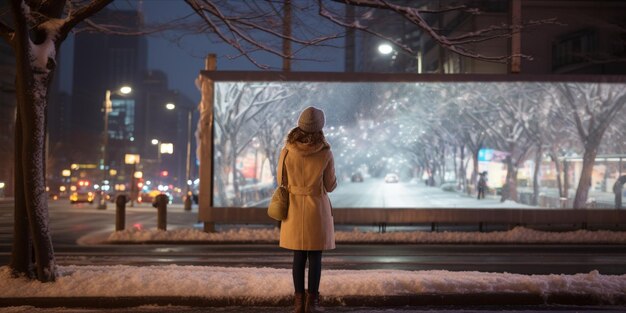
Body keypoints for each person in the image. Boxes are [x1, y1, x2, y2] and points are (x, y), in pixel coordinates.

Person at [279, 106, 337, 313]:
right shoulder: (325, 152)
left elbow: (281, 180)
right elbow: (330, 185)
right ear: (320, 127)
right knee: (315, 257)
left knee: (298, 257)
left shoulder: (287, 151)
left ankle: (297, 302)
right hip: (316, 209)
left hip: (294, 207)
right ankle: (311, 303)